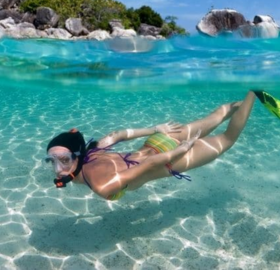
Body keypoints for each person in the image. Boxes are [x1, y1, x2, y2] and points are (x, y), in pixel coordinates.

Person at [44, 90, 278, 201]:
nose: (57, 169)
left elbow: (147, 166)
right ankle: (242, 102)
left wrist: (181, 151)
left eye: (63, 160)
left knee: (227, 139)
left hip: (168, 158)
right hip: (156, 141)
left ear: (76, 154)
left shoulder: (102, 185)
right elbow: (119, 134)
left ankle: (254, 94)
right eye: (52, 161)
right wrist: (157, 129)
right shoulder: (94, 149)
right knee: (217, 115)